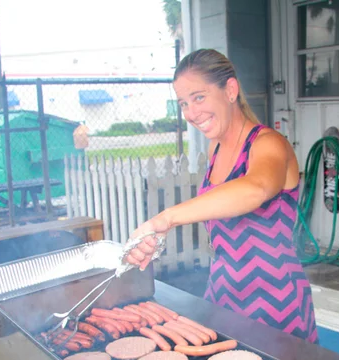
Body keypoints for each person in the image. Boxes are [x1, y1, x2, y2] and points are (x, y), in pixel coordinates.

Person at [125, 48, 318, 344]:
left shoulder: (269, 143)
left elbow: (255, 189)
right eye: (183, 103)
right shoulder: (215, 150)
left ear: (230, 90)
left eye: (199, 97)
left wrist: (165, 219)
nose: (190, 113)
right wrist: (157, 239)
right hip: (223, 294)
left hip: (276, 304)